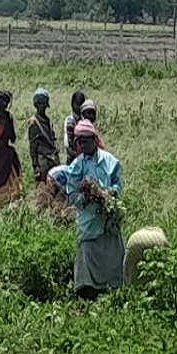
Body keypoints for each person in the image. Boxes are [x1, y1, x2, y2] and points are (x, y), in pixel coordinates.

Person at [65, 120, 124, 299]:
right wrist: (87, 198)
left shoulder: (109, 161)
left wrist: (110, 194)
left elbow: (117, 183)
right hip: (89, 220)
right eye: (79, 142)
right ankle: (88, 293)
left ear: (94, 139)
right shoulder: (77, 165)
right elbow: (72, 192)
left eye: (86, 141)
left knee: (111, 255)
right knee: (88, 256)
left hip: (107, 218)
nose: (83, 145)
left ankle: (113, 290)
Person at [27, 88, 60, 187]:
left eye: (44, 103)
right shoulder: (33, 122)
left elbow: (53, 137)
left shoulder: (48, 120)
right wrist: (35, 165)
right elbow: (32, 146)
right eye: (40, 103)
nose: (42, 106)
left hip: (52, 158)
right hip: (42, 160)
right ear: (36, 104)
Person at [64, 90, 87, 163]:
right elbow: (68, 144)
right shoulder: (70, 121)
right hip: (73, 158)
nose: (79, 107)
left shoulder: (84, 120)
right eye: (77, 104)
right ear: (72, 104)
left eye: (81, 104)